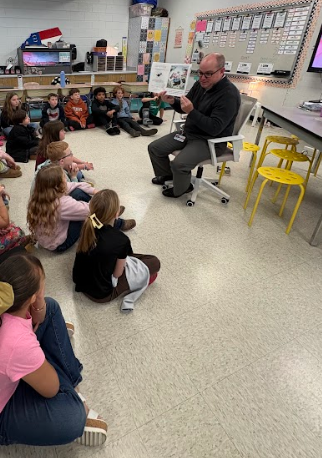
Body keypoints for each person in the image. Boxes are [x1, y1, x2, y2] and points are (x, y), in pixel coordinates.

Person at [0, 254, 108, 446]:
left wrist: (40, 302)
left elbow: (38, 317)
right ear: (31, 297)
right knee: (73, 418)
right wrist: (39, 354)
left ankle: (69, 379)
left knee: (51, 307)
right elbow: (51, 389)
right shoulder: (16, 342)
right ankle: (75, 396)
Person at [148, 53, 241, 198]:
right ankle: (170, 177)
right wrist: (172, 101)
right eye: (200, 73)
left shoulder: (229, 95)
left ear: (222, 71)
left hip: (209, 140)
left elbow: (214, 128)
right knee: (155, 148)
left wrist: (191, 111)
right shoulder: (201, 84)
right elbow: (185, 107)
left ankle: (182, 188)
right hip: (190, 132)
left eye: (208, 74)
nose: (202, 78)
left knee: (179, 164)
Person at [73, 189, 160, 311]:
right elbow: (117, 274)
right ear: (116, 214)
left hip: (81, 283)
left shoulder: (87, 228)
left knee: (129, 257)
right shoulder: (121, 240)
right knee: (154, 262)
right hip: (101, 294)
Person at [27, 165, 135, 253]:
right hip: (59, 244)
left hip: (48, 237)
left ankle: (110, 211)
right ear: (57, 186)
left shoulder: (42, 193)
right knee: (92, 217)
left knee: (77, 192)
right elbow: (91, 210)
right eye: (64, 177)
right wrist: (104, 202)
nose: (66, 179)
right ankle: (116, 221)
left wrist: (95, 192)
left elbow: (75, 185)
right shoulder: (61, 205)